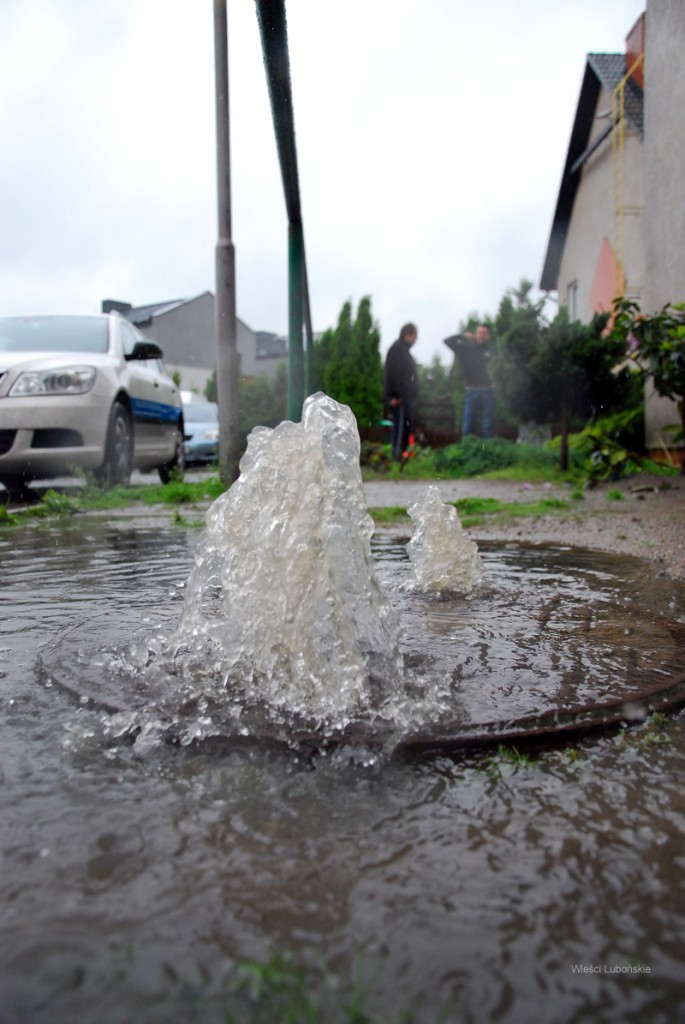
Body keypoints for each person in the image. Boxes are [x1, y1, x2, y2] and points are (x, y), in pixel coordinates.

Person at [443, 323, 495, 438]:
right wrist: (463, 336)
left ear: (489, 336)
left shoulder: (492, 351)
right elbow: (447, 341)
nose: (482, 336)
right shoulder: (466, 350)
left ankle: (487, 452)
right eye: (480, 333)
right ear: (476, 334)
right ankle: (468, 449)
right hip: (471, 391)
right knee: (467, 425)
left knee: (487, 426)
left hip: (487, 391)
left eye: (485, 333)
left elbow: (498, 369)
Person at [384, 322, 418, 460]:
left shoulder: (402, 349)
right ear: (408, 335)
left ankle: (401, 455)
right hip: (399, 398)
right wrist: (400, 396)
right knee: (399, 428)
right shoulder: (398, 350)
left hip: (403, 397)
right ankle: (396, 455)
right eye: (415, 336)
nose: (415, 340)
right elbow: (397, 375)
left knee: (404, 427)